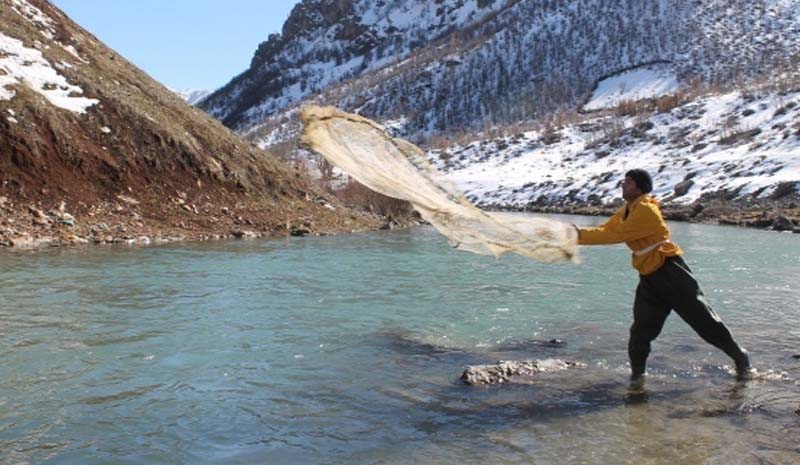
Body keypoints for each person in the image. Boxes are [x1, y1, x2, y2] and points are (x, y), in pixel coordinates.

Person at [573, 169, 751, 381]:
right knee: (640, 333)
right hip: (649, 276)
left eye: (628, 182)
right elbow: (606, 228)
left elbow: (615, 235)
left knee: (705, 323)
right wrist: (575, 233)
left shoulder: (646, 210)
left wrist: (577, 235)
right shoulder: (628, 210)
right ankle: (637, 379)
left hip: (671, 272)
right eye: (623, 181)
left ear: (639, 187)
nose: (623, 184)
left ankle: (740, 357)